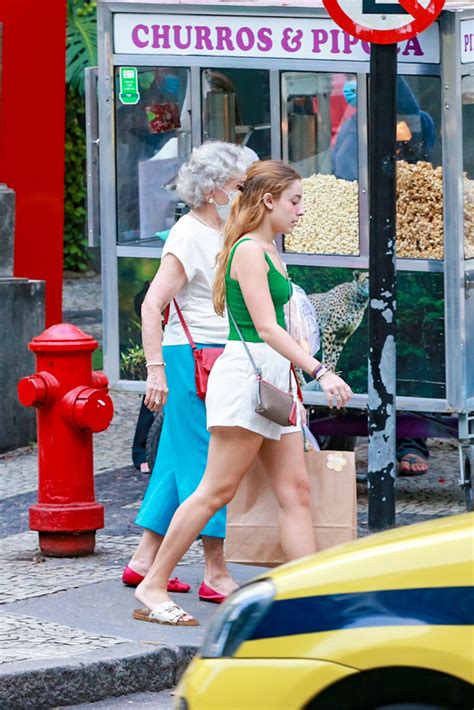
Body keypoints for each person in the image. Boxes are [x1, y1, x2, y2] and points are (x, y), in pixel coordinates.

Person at [132, 160, 353, 626]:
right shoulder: (250, 251)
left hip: (272, 380)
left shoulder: (268, 248)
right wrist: (320, 372)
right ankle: (153, 584)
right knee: (216, 490)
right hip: (249, 379)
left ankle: (307, 597)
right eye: (294, 200)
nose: (302, 210)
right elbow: (267, 328)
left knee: (296, 489)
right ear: (268, 200)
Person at [122, 141, 255, 601]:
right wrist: (155, 371)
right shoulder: (188, 234)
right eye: (242, 184)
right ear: (217, 188)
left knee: (176, 462)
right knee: (205, 464)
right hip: (192, 359)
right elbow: (153, 304)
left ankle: (144, 560)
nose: (247, 192)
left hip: (211, 355)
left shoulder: (221, 229)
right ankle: (214, 571)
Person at [332, 76, 434, 476]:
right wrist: (360, 126)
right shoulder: (356, 130)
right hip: (362, 242)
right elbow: (342, 172)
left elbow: (425, 158)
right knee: (359, 340)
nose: (401, 129)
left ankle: (412, 437)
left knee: (413, 339)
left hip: (413, 243)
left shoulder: (420, 121)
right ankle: (344, 427)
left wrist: (406, 137)